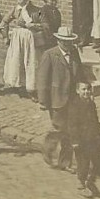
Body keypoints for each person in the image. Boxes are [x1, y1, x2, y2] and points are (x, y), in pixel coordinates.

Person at [36, 26, 83, 172]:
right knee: (60, 129)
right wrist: (43, 101)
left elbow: (80, 73)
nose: (68, 44)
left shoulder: (74, 52)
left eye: (70, 41)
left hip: (72, 99)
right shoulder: (50, 55)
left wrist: (84, 88)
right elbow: (42, 79)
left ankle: (65, 163)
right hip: (56, 99)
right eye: (64, 41)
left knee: (70, 131)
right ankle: (48, 148)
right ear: (58, 40)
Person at [2, 0, 44, 100]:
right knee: (17, 61)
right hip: (17, 39)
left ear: (27, 0)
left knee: (30, 61)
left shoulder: (36, 10)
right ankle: (19, 86)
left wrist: (34, 26)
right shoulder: (15, 10)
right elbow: (4, 22)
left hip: (31, 39)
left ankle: (32, 88)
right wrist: (5, 36)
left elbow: (44, 24)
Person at [68, 81, 100, 198]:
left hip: (92, 138)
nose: (86, 92)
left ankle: (90, 182)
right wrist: (74, 141)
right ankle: (81, 185)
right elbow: (72, 125)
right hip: (81, 140)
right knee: (83, 164)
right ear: (78, 91)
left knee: (99, 161)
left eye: (88, 89)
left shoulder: (91, 103)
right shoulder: (75, 105)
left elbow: (95, 120)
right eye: (83, 89)